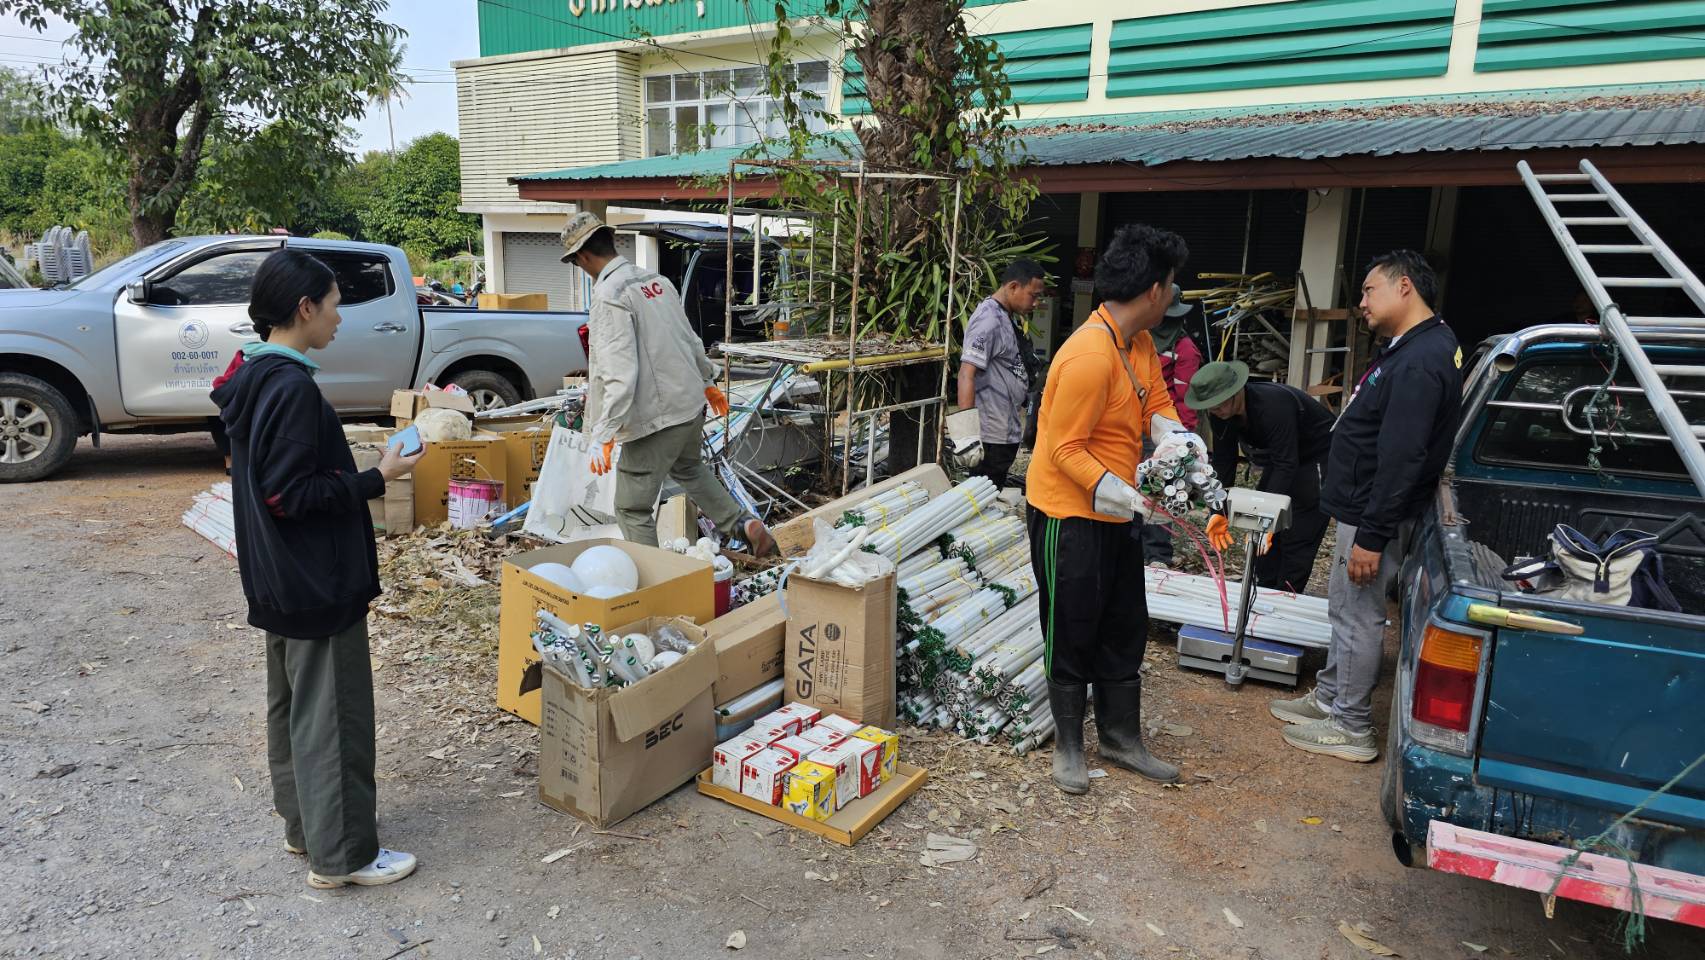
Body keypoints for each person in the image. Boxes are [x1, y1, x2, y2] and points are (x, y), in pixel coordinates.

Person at [212, 249, 423, 888]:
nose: (339, 319)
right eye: (333, 306)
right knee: (334, 718)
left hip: (279, 577)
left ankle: (307, 830)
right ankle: (346, 855)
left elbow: (271, 480)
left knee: (295, 710)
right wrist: (376, 476)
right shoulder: (292, 388)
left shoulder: (249, 377)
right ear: (304, 309)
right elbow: (291, 494)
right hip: (316, 580)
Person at [1026, 223, 1209, 794]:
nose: (1172, 294)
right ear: (1154, 290)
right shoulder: (1086, 356)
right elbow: (1063, 450)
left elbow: (1157, 405)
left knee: (1124, 622)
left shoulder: (1139, 345)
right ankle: (1070, 746)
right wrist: (1128, 492)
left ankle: (1121, 737)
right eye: (1172, 283)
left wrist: (1180, 449)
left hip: (1120, 513)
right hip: (1069, 516)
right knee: (1071, 627)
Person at [1269, 250, 1463, 762]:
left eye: (1367, 291)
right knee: (1344, 608)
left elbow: (1402, 457)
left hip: (1374, 515)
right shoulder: (1409, 348)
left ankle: (1352, 725)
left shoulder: (1421, 362)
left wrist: (1373, 537)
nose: (1360, 303)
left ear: (1404, 287)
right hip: (1360, 508)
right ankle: (1333, 695)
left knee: (1359, 614)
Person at [561, 212, 776, 554]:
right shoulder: (655, 281)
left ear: (583, 257)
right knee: (689, 467)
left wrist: (603, 433)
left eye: (576, 261)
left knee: (632, 508)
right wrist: (707, 382)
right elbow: (688, 338)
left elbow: (618, 373)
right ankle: (743, 525)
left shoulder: (609, 295)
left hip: (656, 418)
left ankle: (655, 587)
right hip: (689, 405)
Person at [1186, 360, 1336, 592]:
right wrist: (1219, 509)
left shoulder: (1273, 406)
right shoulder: (1219, 415)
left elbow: (1287, 463)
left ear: (1236, 391)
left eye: (1219, 404)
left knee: (1297, 530)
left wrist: (1267, 514)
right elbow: (1225, 462)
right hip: (1282, 461)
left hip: (1317, 456)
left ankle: (1287, 594)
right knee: (1259, 529)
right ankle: (1263, 589)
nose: (1216, 411)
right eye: (1210, 406)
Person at [956, 259, 1045, 488]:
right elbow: (966, 373)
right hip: (989, 437)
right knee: (980, 501)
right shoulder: (988, 320)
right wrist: (967, 436)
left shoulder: (1004, 316)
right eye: (1033, 295)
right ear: (1013, 286)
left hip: (1004, 433)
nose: (1036, 303)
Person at [1136, 283, 1201, 569]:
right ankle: (1132, 548)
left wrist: (1180, 444)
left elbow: (1187, 402)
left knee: (1159, 494)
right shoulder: (1140, 340)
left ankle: (1158, 555)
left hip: (1164, 434)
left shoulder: (1185, 349)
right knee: (1130, 490)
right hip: (1133, 428)